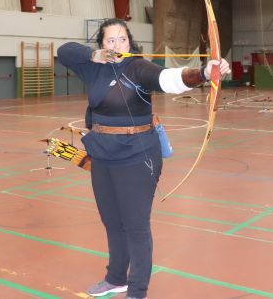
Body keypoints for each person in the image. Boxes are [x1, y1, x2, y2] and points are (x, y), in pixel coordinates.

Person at [57, 18, 230, 299]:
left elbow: (168, 80)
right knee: (112, 222)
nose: (116, 45)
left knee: (135, 226)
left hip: (137, 155)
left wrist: (203, 73)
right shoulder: (92, 68)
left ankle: (137, 291)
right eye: (110, 40)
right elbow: (64, 51)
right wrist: (93, 56)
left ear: (130, 43)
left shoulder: (138, 67)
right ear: (102, 45)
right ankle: (115, 279)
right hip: (102, 153)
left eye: (122, 39)